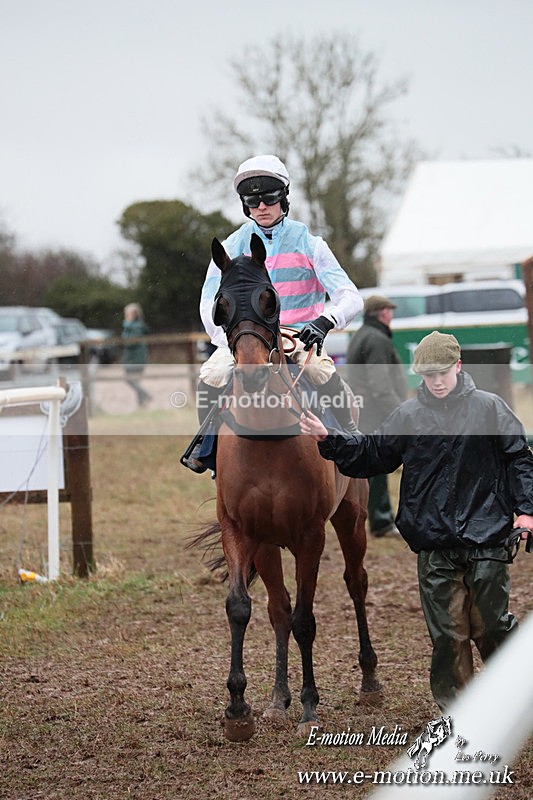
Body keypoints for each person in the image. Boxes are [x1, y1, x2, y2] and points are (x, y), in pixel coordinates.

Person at [299, 331, 533, 710]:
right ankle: (461, 713)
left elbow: (519, 459)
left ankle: (518, 691)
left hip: (488, 538)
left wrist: (526, 511)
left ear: (458, 366)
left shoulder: (490, 409)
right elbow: (373, 454)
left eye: (442, 372)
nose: (437, 381)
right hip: (434, 544)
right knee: (448, 634)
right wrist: (330, 437)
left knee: (492, 625)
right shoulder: (408, 416)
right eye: (428, 375)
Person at [183, 154, 363, 472]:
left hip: (299, 334)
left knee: (323, 373)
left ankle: (350, 437)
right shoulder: (229, 247)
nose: (262, 207)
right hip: (246, 337)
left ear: (283, 199)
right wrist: (229, 338)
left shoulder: (311, 244)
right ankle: (207, 451)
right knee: (211, 377)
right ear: (245, 205)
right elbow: (207, 303)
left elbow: (350, 296)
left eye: (269, 198)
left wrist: (325, 321)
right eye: (253, 201)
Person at [346, 294, 408, 537]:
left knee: (372, 468)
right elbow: (380, 384)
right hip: (376, 412)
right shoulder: (377, 339)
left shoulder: (362, 335)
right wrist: (401, 413)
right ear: (383, 313)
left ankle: (377, 519)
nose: (391, 315)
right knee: (378, 467)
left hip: (366, 411)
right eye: (389, 310)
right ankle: (381, 521)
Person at [122, 303, 151, 408]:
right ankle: (141, 404)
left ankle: (146, 396)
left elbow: (129, 342)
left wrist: (127, 325)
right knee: (136, 381)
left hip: (135, 359)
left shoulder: (134, 327)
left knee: (130, 380)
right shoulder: (132, 327)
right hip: (133, 358)